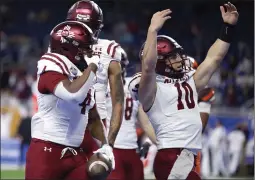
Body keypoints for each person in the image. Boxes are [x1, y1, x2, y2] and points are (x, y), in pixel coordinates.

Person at [129, 3, 239, 179]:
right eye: (173, 56)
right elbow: (148, 67)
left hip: (186, 153)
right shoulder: (150, 88)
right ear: (160, 60)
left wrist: (228, 27)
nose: (180, 59)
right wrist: (152, 31)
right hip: (172, 154)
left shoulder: (189, 80)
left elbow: (214, 58)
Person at [25, 21, 113, 180]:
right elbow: (73, 94)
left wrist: (105, 145)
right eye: (85, 47)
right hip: (47, 151)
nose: (90, 52)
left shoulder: (81, 75)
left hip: (75, 153)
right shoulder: (51, 64)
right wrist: (92, 67)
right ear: (68, 47)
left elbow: (92, 117)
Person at [66, 1, 125, 159]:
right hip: (64, 123)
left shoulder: (108, 49)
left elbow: (118, 101)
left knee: (96, 172)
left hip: (96, 125)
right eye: (79, 25)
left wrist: (109, 144)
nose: (84, 30)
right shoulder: (59, 47)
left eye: (88, 26)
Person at [105, 50, 156, 180]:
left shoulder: (132, 85)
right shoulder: (103, 87)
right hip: (112, 148)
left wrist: (160, 144)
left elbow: (145, 122)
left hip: (131, 148)